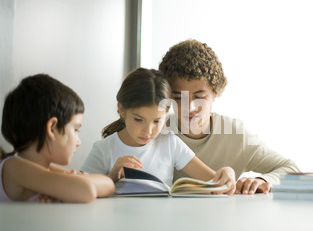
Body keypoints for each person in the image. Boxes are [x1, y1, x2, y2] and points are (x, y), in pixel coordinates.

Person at [159, 39, 300, 195]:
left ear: (215, 93)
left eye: (199, 97)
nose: (189, 108)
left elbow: (291, 168)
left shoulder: (236, 135)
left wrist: (264, 180)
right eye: (178, 98)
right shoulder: (152, 129)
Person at [81, 68, 235, 194]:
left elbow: (214, 182)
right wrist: (112, 177)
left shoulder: (169, 142)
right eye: (138, 120)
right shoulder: (103, 149)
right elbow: (80, 190)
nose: (148, 131)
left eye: (157, 121)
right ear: (121, 109)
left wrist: (227, 172)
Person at [0, 74, 115, 203]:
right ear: (52, 128)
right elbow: (86, 191)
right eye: (75, 130)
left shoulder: (46, 169)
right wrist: (72, 182)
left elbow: (109, 185)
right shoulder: (14, 167)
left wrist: (66, 185)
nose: (78, 142)